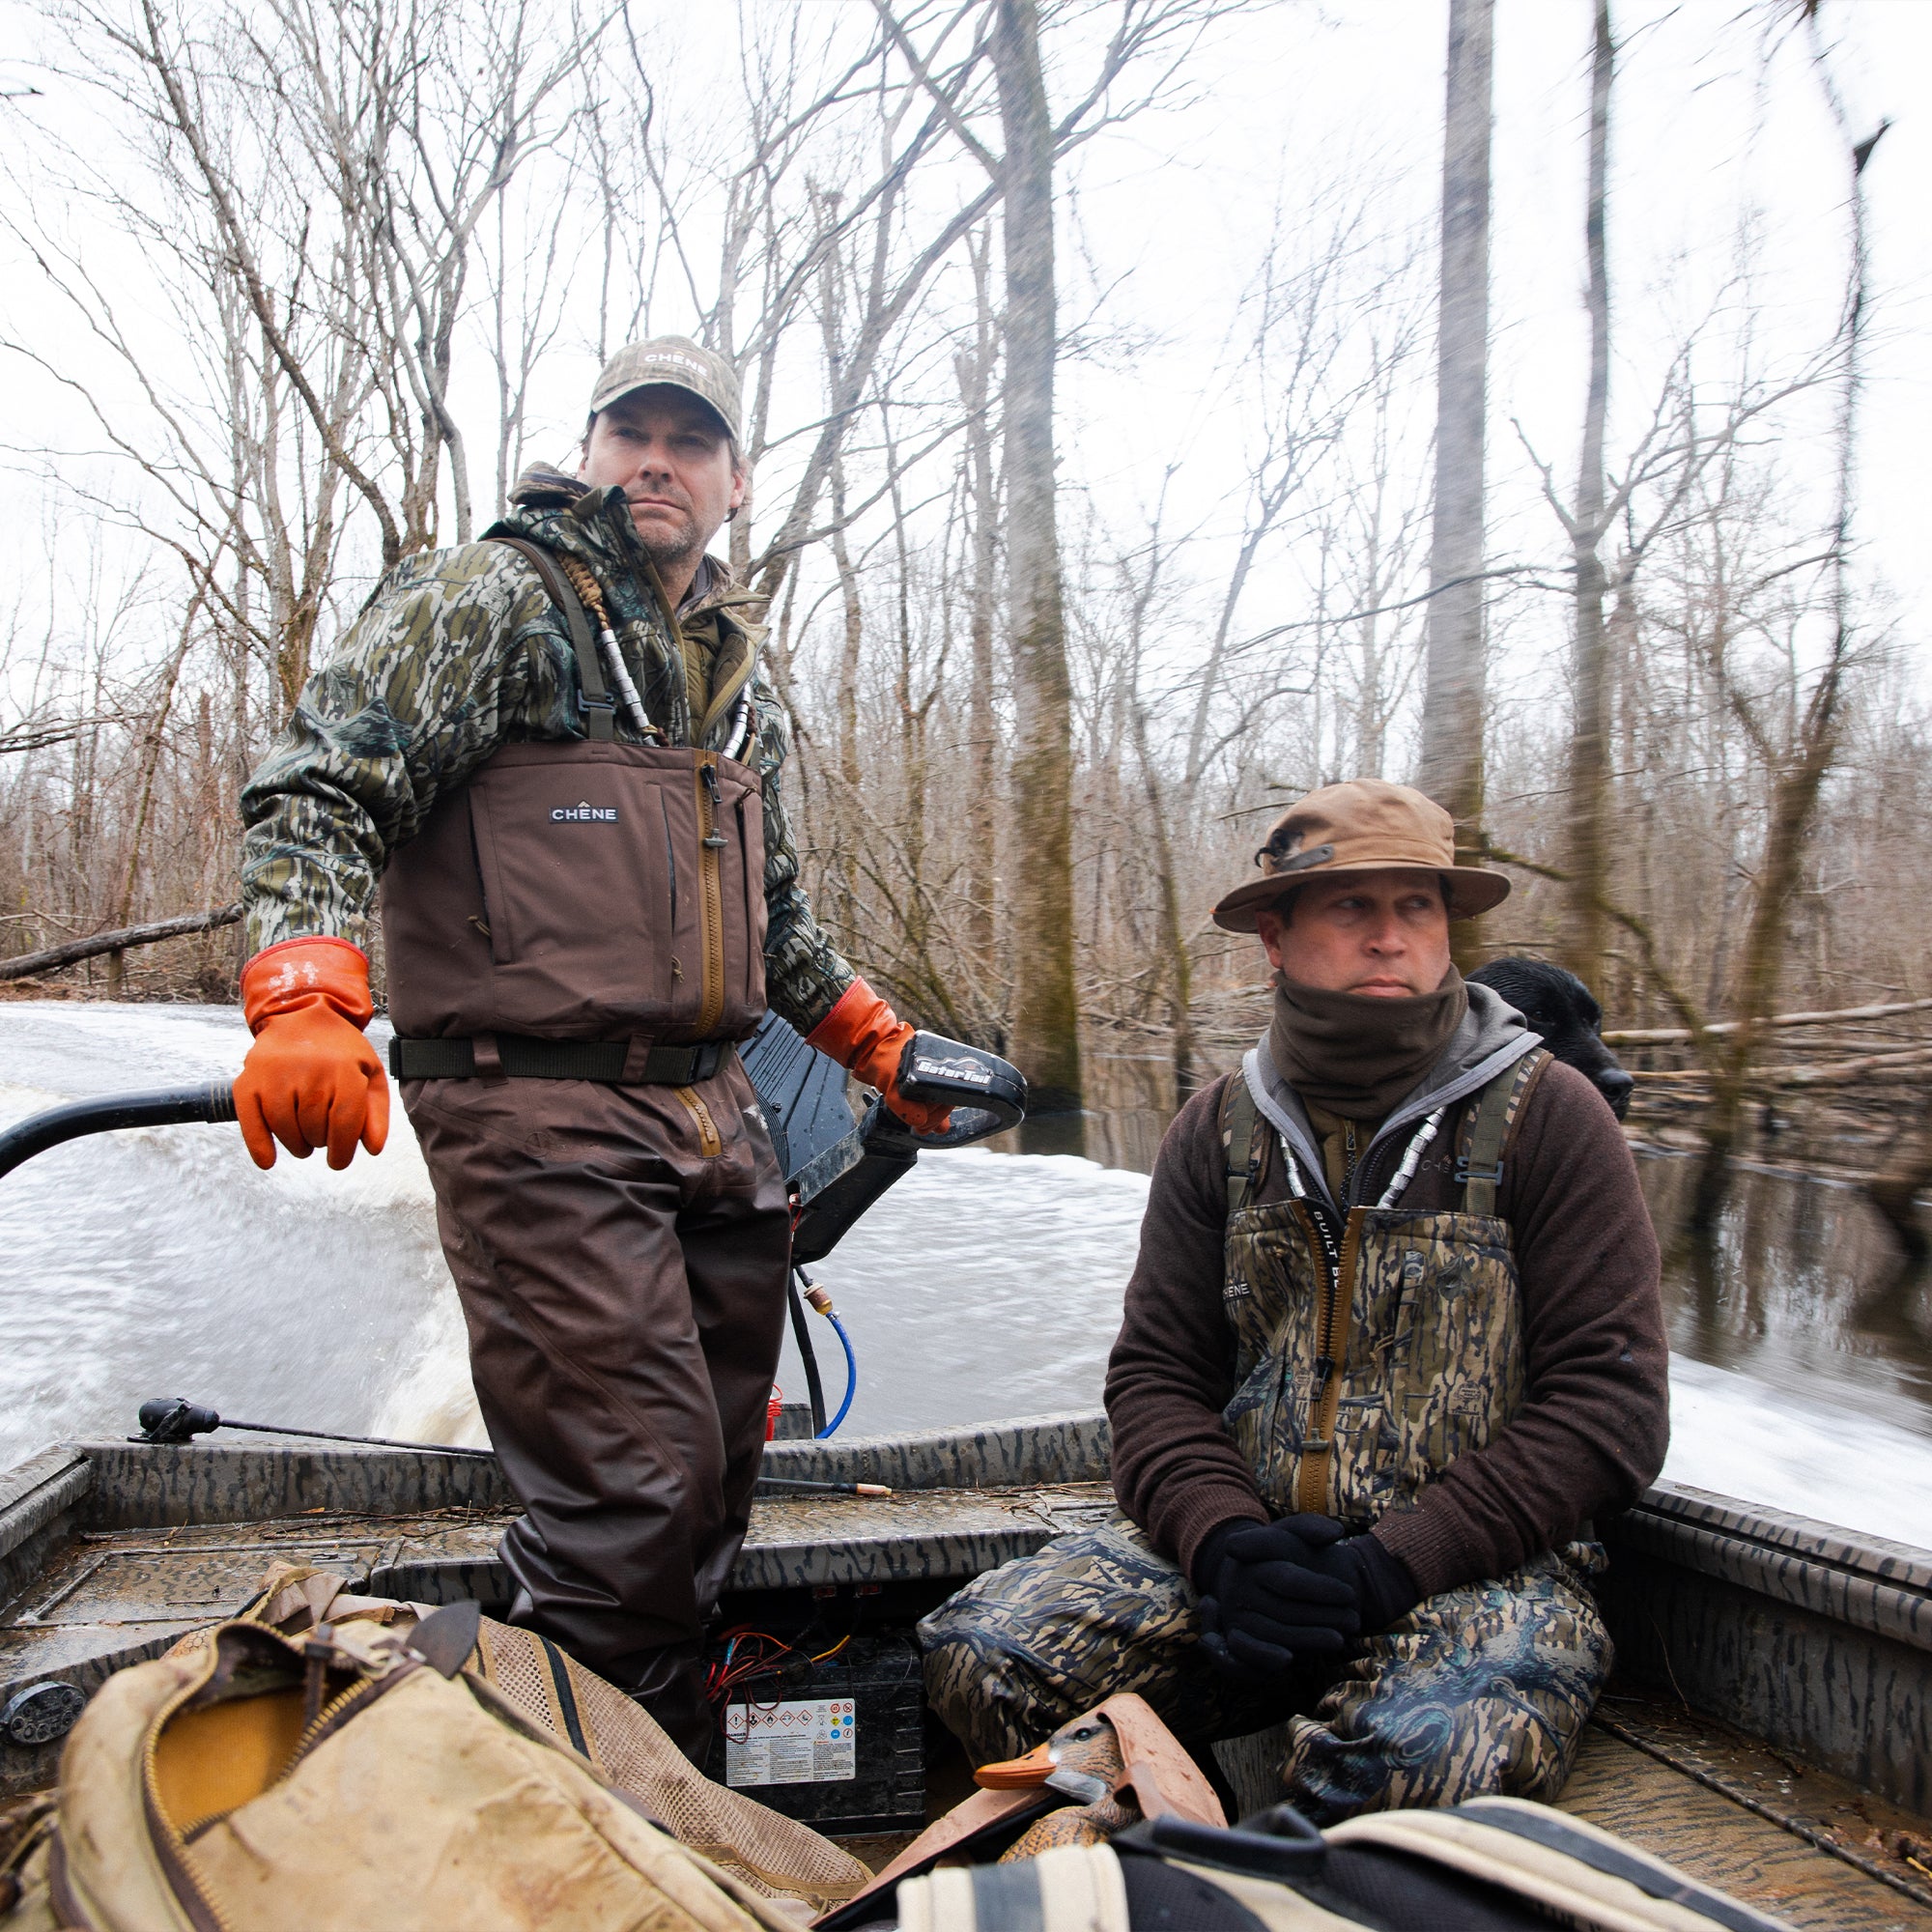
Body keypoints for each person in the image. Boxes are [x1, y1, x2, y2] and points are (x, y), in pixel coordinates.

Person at [232, 336, 952, 1758]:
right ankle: (580, 1830)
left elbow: (781, 915)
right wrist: (307, 994)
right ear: (594, 444)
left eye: (691, 442)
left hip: (713, 1120)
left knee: (706, 1496)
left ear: (736, 481)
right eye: (634, 432)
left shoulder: (738, 679)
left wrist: (876, 1044)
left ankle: (599, 1765)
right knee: (632, 1508)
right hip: (534, 1114)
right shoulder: (495, 597)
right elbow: (322, 780)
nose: (656, 461)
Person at [921, 779, 1668, 1822]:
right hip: (1244, 1568)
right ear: (1274, 935)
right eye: (1349, 907)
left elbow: (1609, 1410)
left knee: (1420, 1760)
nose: (1388, 937)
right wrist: (1223, 1540)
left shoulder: (1553, 1117)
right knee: (984, 1653)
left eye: (1415, 907)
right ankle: (1170, 1836)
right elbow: (1155, 1378)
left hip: (1479, 1571)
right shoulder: (1216, 1130)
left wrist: (1387, 1566)